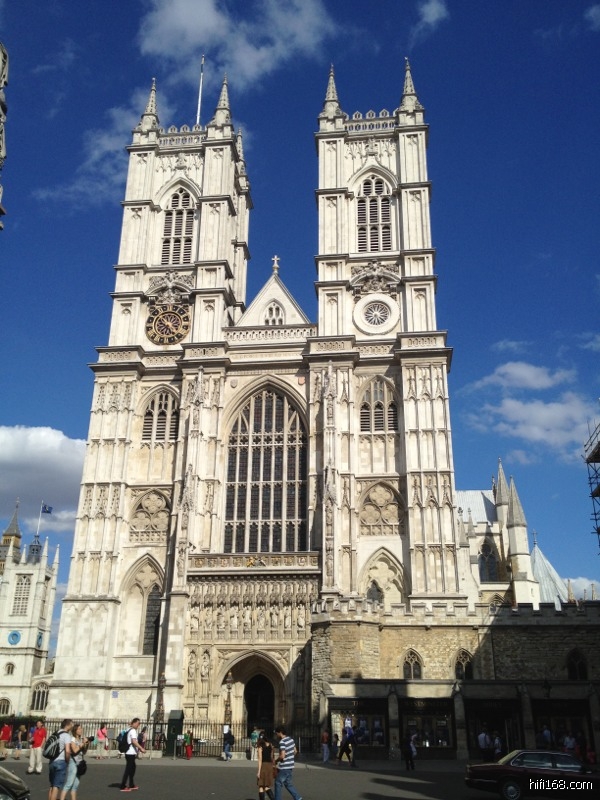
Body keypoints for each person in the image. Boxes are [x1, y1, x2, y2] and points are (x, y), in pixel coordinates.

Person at [60, 722, 90, 800]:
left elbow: (84, 752)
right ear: (75, 730)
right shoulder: (72, 739)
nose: (81, 730)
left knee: (75, 786)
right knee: (69, 784)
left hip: (79, 762)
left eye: (81, 728)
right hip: (73, 762)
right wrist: (82, 743)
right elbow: (75, 750)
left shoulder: (80, 739)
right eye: (79, 729)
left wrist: (87, 744)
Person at [274, 724, 302, 800]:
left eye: (276, 733)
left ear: (280, 732)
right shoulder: (291, 739)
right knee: (288, 784)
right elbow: (295, 751)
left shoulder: (282, 742)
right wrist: (290, 757)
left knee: (278, 783)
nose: (276, 735)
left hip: (284, 766)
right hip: (290, 765)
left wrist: (276, 760)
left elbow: (282, 756)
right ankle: (298, 797)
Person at [48, 719, 74, 800]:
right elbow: (68, 751)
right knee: (56, 786)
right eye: (72, 725)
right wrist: (67, 761)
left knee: (52, 785)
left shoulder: (56, 733)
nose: (72, 726)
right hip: (61, 761)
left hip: (52, 761)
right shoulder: (66, 736)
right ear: (68, 725)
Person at [119, 718, 145, 792]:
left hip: (130, 752)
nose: (138, 725)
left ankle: (131, 784)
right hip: (130, 752)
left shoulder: (129, 729)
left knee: (132, 768)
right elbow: (134, 741)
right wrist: (141, 748)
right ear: (134, 723)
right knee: (128, 769)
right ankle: (123, 786)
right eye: (138, 723)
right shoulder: (133, 731)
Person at [256, 731, 275, 800]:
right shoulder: (270, 745)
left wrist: (258, 771)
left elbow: (260, 759)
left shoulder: (260, 746)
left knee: (261, 785)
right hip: (269, 766)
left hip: (263, 766)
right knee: (266, 786)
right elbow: (272, 757)